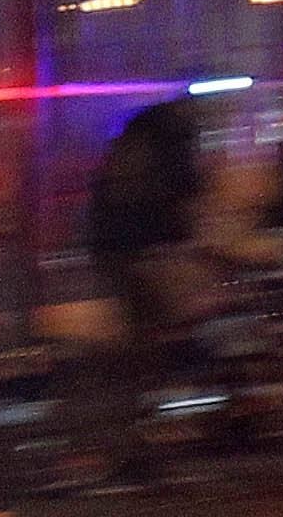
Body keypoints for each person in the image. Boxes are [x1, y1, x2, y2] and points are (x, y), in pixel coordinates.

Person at [80, 97, 212, 489]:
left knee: (141, 347)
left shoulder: (131, 145)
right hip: (137, 252)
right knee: (147, 349)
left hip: (118, 251)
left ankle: (132, 442)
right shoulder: (170, 142)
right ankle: (137, 447)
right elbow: (184, 192)